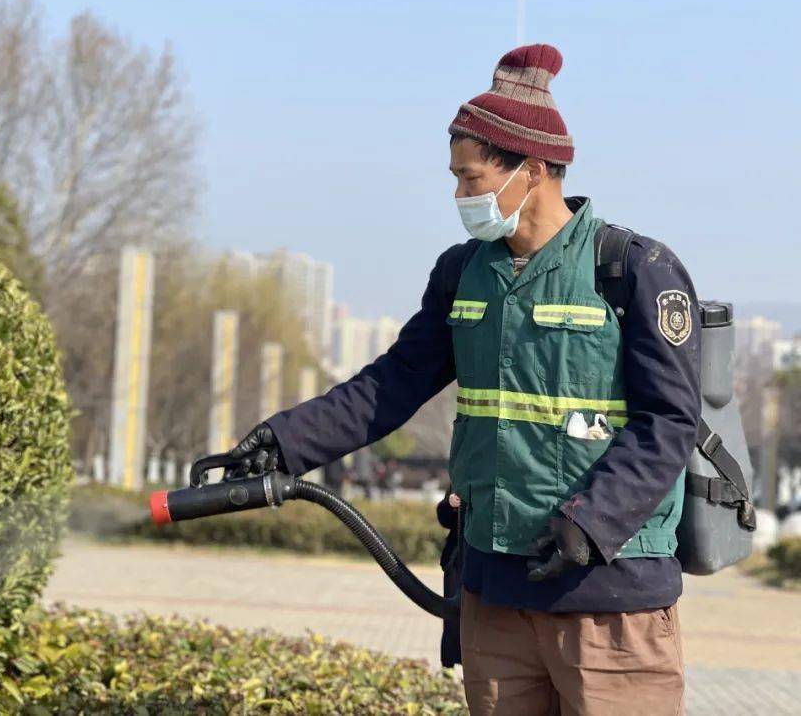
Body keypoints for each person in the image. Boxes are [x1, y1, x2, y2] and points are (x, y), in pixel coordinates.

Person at [221, 44, 699, 715]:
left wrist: (591, 524)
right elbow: (391, 385)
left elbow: (669, 423)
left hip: (610, 602)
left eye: (470, 178)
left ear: (531, 171)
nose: (459, 194)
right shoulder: (462, 273)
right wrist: (283, 442)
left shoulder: (632, 270)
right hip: (495, 594)